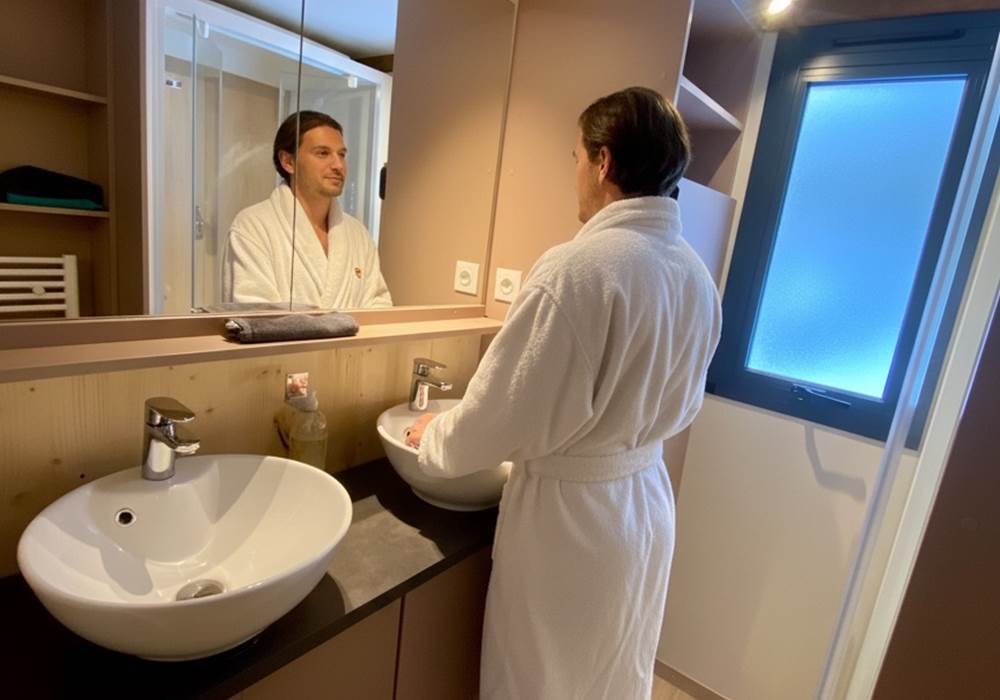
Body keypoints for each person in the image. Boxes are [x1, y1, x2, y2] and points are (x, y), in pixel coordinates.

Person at [404, 87, 722, 698]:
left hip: (573, 528)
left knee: (541, 681)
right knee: (611, 674)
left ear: (603, 162)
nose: (574, 173)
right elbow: (684, 403)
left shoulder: (577, 269)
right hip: (646, 507)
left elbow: (502, 413)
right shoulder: (693, 274)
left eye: (574, 157)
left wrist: (434, 437)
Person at [222, 111, 392, 308]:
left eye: (342, 155)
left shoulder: (357, 233)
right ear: (288, 162)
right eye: (323, 153)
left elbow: (379, 305)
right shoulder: (253, 226)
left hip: (352, 340)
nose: (338, 165)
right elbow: (253, 314)